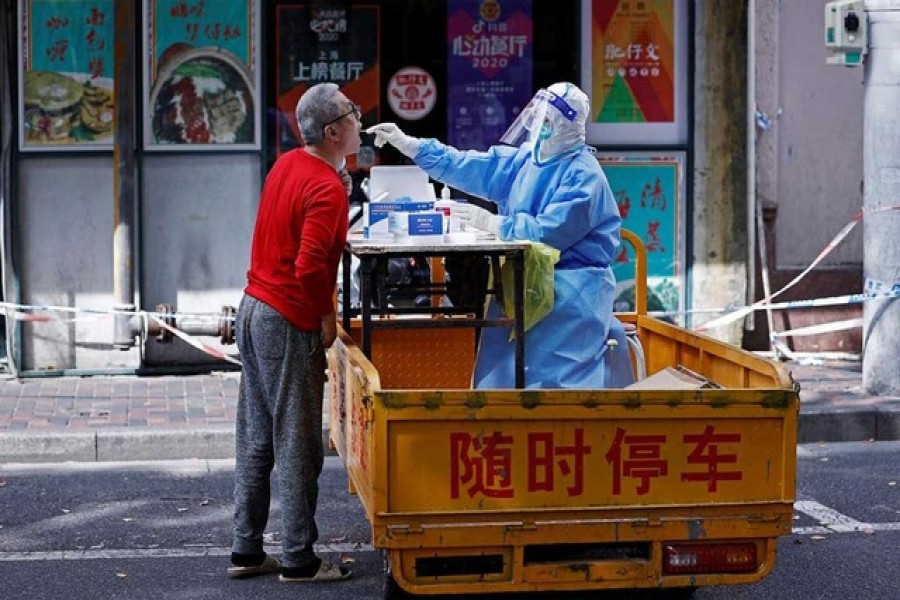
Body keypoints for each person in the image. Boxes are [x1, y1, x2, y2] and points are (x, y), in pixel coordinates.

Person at [368, 82, 633, 389]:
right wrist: (411, 145)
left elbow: (547, 232)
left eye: (548, 121)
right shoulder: (527, 160)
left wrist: (494, 224)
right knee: (503, 379)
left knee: (556, 386)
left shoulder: (585, 177)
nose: (538, 127)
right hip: (524, 282)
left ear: (568, 127)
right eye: (537, 118)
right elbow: (471, 166)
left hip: (570, 295)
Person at [229, 82, 359, 583]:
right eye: (351, 113)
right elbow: (308, 267)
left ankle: (245, 549)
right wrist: (325, 316)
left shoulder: (288, 164)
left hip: (253, 306)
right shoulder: (325, 187)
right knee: (298, 442)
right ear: (332, 131)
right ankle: (299, 558)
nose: (359, 119)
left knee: (257, 437)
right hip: (286, 316)